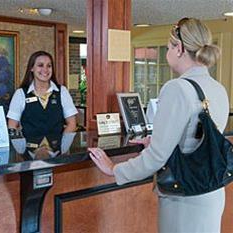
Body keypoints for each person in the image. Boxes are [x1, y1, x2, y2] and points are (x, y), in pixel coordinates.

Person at [88, 18, 229, 233]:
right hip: (211, 193)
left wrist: (114, 169)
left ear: (179, 48)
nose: (168, 51)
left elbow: (156, 158)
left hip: (184, 199)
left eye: (169, 46)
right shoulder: (218, 88)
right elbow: (197, 142)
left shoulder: (177, 88)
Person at [7, 51, 78, 137]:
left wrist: (62, 146)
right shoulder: (20, 94)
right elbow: (12, 126)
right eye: (40, 65)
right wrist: (20, 149)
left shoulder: (62, 91)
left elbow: (72, 124)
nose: (45, 69)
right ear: (31, 68)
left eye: (49, 66)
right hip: (28, 149)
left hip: (56, 149)